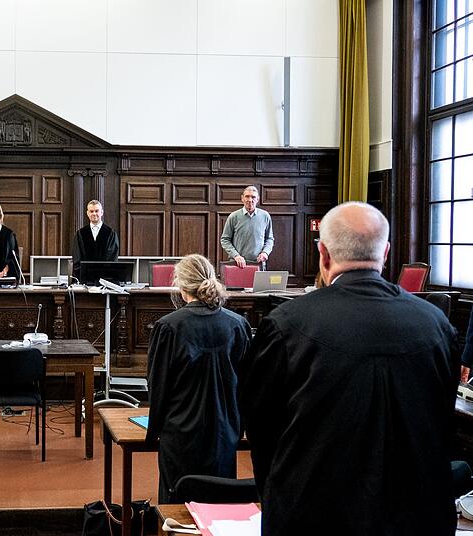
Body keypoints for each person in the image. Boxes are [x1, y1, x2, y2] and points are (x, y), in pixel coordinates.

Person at [238, 202, 458, 535]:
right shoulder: (436, 324)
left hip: (313, 512)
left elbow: (261, 428)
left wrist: (278, 493)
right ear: (385, 253)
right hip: (419, 514)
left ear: (323, 255)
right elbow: (442, 420)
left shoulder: (287, 324)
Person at [145, 254, 250, 503]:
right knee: (220, 505)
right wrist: (239, 427)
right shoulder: (238, 325)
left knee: (177, 508)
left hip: (180, 434)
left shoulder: (168, 327)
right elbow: (248, 386)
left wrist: (153, 432)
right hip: (224, 432)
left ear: (181, 286)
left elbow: (158, 386)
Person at [220, 186, 273, 268]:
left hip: (258, 264)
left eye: (253, 197)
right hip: (237, 264)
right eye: (247, 196)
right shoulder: (233, 217)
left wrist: (265, 252)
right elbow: (225, 240)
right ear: (242, 198)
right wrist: (236, 255)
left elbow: (269, 239)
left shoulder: (265, 216)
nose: (250, 200)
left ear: (258, 199)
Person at [71, 200, 119, 283]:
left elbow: (112, 258)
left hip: (105, 280)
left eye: (96, 211)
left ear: (101, 212)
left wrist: (105, 278)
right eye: (91, 211)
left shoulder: (111, 233)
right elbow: (77, 258)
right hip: (85, 280)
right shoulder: (80, 234)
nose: (94, 214)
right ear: (87, 213)